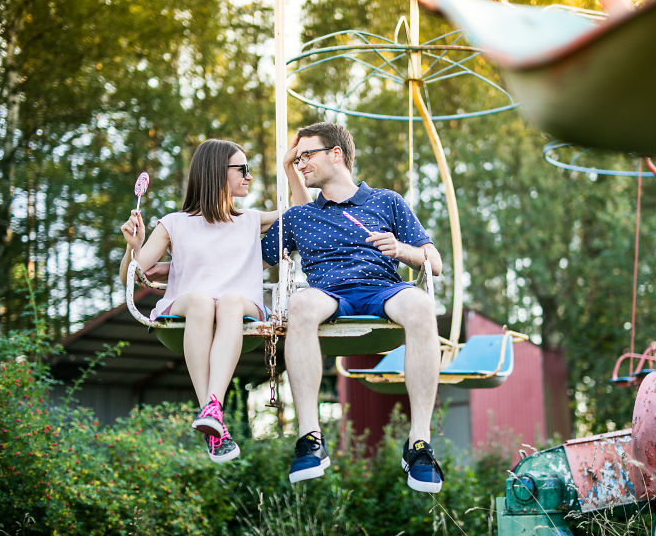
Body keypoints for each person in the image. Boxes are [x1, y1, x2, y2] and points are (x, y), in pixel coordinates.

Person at [261, 122, 445, 493]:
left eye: (307, 155)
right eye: (298, 159)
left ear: (336, 154)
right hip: (328, 293)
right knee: (299, 303)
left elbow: (434, 262)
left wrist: (402, 250)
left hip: (384, 290)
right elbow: (249, 260)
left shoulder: (387, 201)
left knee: (421, 304)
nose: (302, 163)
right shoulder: (299, 216)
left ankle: (419, 443)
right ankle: (310, 438)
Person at [119, 139, 310, 463]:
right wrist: (132, 247)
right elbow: (131, 275)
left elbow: (304, 212)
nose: (249, 176)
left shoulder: (251, 219)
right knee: (201, 301)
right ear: (217, 172)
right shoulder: (174, 223)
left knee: (230, 301)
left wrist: (289, 167)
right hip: (188, 304)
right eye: (242, 169)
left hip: (241, 305)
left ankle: (211, 410)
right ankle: (212, 411)